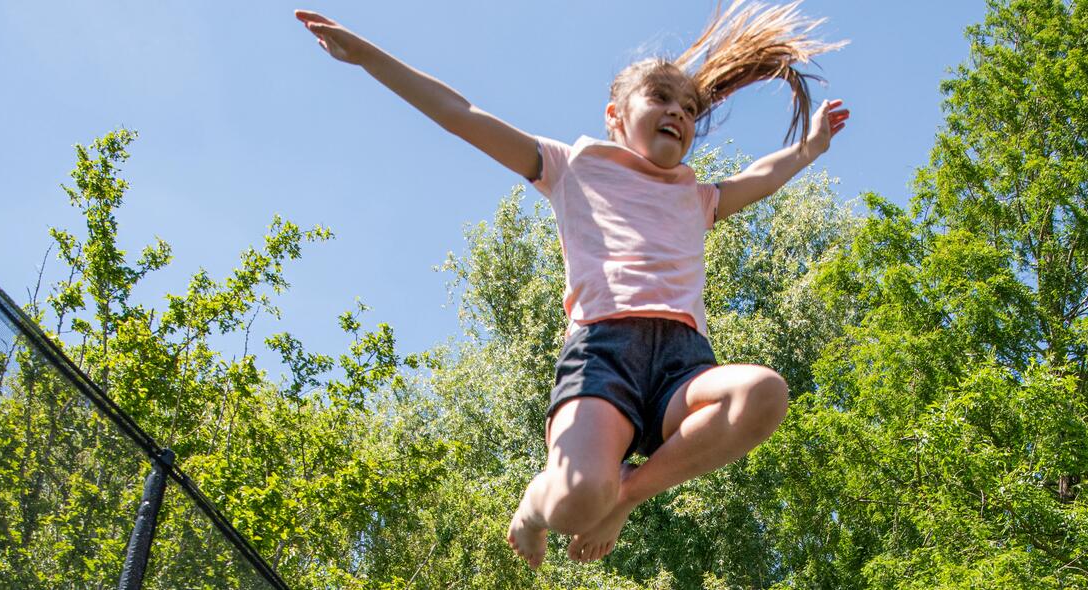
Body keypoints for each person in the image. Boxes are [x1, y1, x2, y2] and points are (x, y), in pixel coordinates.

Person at [294, 1, 847, 568]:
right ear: (615, 114)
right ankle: (536, 506)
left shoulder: (697, 196)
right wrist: (366, 57)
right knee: (577, 501)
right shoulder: (571, 165)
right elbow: (460, 113)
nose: (678, 113)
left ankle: (625, 495)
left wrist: (809, 148)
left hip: (683, 363)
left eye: (688, 109)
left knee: (764, 393)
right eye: (660, 97)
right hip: (604, 352)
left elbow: (763, 176)